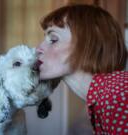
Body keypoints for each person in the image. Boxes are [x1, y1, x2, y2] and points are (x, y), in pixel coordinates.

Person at [36, 4, 128, 134]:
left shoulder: (119, 94)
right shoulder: (101, 100)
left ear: (89, 45)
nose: (38, 48)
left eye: (53, 39)